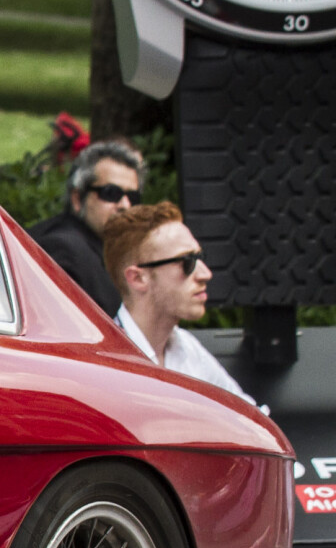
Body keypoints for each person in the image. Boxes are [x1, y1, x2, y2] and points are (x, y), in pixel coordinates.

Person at [102, 201, 261, 409]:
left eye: (200, 257)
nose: (205, 274)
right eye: (186, 262)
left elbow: (251, 418)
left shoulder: (187, 348)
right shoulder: (110, 370)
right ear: (138, 278)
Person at [31, 137, 142, 314]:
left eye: (133, 197)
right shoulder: (64, 249)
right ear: (77, 198)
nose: (125, 205)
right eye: (111, 193)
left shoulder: (114, 251)